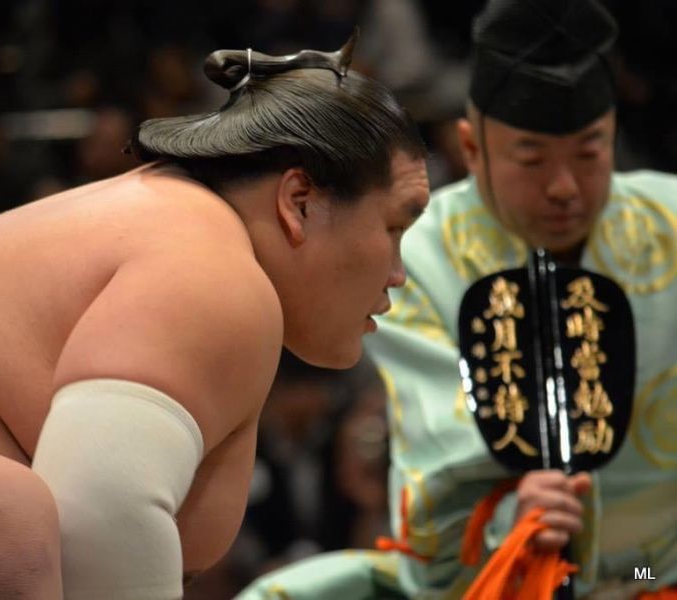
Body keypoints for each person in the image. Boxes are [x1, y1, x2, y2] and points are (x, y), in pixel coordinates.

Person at [0, 36, 429, 599]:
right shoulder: (211, 266)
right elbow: (101, 515)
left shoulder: (186, 230)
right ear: (300, 200)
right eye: (395, 228)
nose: (399, 273)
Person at [238, 0, 677, 598]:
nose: (564, 187)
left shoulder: (669, 218)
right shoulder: (421, 253)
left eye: (589, 152)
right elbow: (439, 438)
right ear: (471, 148)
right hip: (500, 566)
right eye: (531, 159)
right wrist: (508, 509)